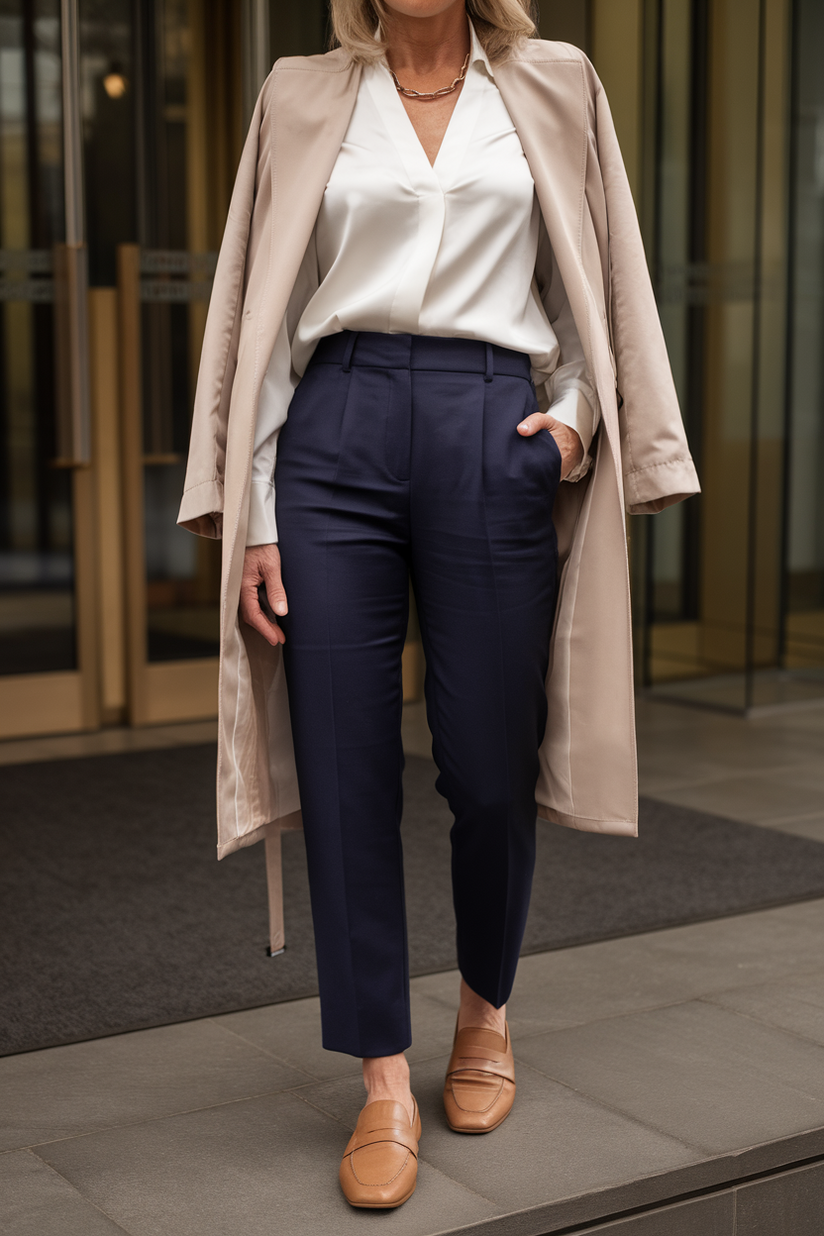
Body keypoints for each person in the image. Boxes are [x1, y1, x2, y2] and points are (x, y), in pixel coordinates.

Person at [178, 0, 700, 1210]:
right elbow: (266, 303)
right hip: (335, 435)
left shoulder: (555, 83)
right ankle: (380, 1080)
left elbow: (594, 275)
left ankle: (483, 1013)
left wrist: (570, 427)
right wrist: (257, 508)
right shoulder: (301, 94)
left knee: (485, 762)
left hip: (486, 424)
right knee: (347, 764)